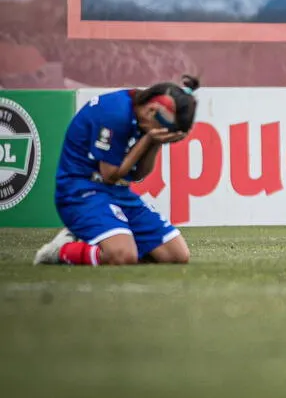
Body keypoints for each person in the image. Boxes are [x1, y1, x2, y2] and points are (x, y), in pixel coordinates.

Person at [33, 75, 200, 266]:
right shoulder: (115, 113)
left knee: (176, 256)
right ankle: (62, 250)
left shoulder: (142, 116)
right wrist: (147, 140)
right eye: (165, 129)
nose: (164, 133)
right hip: (81, 191)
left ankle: (102, 240)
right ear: (152, 110)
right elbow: (110, 175)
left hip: (118, 193)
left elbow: (138, 175)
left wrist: (155, 143)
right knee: (122, 256)